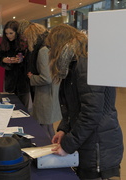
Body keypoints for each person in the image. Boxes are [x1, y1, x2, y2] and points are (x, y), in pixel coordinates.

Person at [47, 24, 123, 180]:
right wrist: (63, 129)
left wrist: (68, 145)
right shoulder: (75, 62)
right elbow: (73, 106)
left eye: (50, 47)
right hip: (91, 141)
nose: (49, 52)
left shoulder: (86, 64)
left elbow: (91, 113)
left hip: (99, 146)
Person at [22, 23, 62, 139]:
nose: (25, 40)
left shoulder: (42, 51)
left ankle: (48, 152)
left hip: (45, 94)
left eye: (27, 37)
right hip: (51, 93)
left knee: (44, 128)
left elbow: (46, 78)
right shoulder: (50, 47)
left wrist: (32, 77)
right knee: (48, 126)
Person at [0, 20, 30, 109]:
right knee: (10, 107)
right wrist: (4, 60)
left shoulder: (25, 43)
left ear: (17, 32)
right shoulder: (4, 44)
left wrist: (21, 60)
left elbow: (30, 60)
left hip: (23, 81)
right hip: (10, 81)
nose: (8, 36)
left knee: (23, 108)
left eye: (11, 33)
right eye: (6, 33)